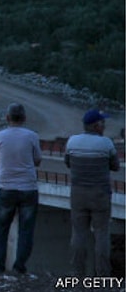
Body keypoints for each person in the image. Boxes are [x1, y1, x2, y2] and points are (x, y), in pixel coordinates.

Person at [65, 109, 120, 276]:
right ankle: (103, 274)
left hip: (78, 193)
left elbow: (68, 163)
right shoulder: (106, 143)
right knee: (102, 233)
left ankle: (77, 273)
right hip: (100, 194)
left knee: (78, 233)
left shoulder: (72, 141)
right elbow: (115, 166)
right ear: (96, 125)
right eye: (103, 122)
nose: (105, 125)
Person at [0, 103, 42, 274]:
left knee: (0, 228)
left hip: (6, 187)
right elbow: (37, 160)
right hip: (28, 188)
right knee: (26, 230)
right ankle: (19, 267)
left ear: (7, 118)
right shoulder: (32, 136)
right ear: (24, 118)